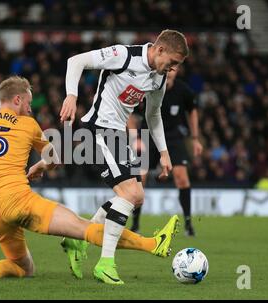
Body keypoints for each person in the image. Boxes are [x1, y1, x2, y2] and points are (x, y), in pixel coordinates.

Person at [0, 76, 179, 285]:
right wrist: (40, 166)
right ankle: (153, 244)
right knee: (84, 229)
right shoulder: (29, 125)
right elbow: (54, 158)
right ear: (17, 99)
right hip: (19, 202)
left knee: (24, 268)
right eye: (28, 101)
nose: (30, 107)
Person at [60, 29, 188, 283]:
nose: (172, 69)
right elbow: (76, 61)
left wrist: (164, 152)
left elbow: (153, 116)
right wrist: (71, 95)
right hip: (96, 131)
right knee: (129, 194)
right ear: (160, 50)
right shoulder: (123, 55)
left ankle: (77, 238)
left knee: (136, 197)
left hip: (118, 136)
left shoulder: (158, 80)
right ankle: (105, 264)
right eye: (172, 62)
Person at [131, 69, 203, 236]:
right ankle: (135, 224)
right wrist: (136, 138)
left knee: (182, 178)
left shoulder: (183, 90)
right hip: (148, 136)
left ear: (177, 71)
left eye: (174, 69)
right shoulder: (147, 86)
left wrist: (195, 138)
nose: (170, 72)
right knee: (140, 178)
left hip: (173, 138)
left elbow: (193, 111)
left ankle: (188, 224)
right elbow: (129, 112)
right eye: (168, 69)